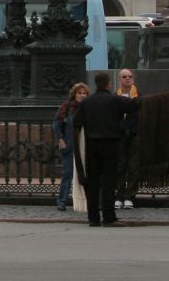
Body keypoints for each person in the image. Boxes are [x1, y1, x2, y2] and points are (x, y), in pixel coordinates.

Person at [72, 72, 135, 228]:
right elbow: (134, 105)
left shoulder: (87, 102)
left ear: (96, 84)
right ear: (108, 84)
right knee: (109, 182)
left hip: (92, 145)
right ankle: (108, 217)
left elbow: (76, 122)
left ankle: (93, 218)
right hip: (110, 145)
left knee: (93, 183)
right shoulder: (114, 100)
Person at [53, 83, 88, 212]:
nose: (82, 95)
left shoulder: (89, 107)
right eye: (80, 93)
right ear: (74, 94)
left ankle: (86, 200)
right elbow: (57, 123)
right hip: (69, 144)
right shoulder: (67, 107)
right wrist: (60, 138)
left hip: (85, 145)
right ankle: (62, 200)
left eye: (84, 93)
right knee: (67, 173)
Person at [115, 67, 141, 210]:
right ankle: (119, 195)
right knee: (120, 166)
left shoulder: (138, 95)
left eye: (129, 76)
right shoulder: (115, 96)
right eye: (124, 77)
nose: (127, 79)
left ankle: (130, 196)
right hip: (119, 135)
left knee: (133, 167)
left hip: (134, 134)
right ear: (119, 80)